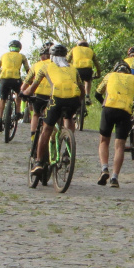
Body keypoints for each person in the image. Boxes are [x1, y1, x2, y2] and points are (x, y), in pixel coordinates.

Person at [23, 44, 84, 180]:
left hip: (56, 100)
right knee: (68, 118)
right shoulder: (73, 69)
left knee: (46, 130)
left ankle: (38, 162)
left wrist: (24, 93)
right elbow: (82, 89)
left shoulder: (45, 67)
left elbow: (32, 88)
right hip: (73, 100)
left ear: (51, 56)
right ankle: (69, 143)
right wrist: (78, 103)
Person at [94, 61, 134, 187]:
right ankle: (114, 177)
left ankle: (104, 169)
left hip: (108, 109)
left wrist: (103, 103)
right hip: (125, 111)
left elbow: (97, 93)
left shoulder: (110, 76)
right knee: (120, 145)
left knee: (104, 141)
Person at [0, 39, 30, 132]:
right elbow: (27, 70)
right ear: (19, 48)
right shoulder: (22, 56)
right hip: (16, 80)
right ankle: (17, 113)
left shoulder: (3, 56)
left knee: (2, 99)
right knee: (19, 94)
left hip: (4, 80)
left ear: (10, 48)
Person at [21, 45, 53, 143]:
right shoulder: (58, 65)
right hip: (54, 94)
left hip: (39, 94)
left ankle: (33, 136)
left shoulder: (36, 65)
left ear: (42, 56)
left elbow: (26, 83)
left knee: (36, 114)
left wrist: (22, 92)